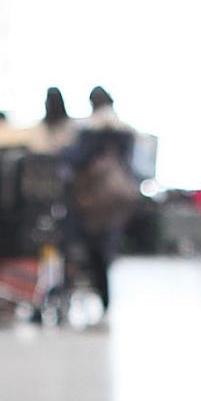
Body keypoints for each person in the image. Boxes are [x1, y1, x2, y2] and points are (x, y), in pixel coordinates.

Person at [63, 86, 139, 321]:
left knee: (88, 251)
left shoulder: (90, 132)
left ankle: (90, 296)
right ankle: (104, 301)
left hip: (91, 200)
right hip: (116, 199)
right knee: (104, 251)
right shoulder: (126, 132)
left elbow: (76, 159)